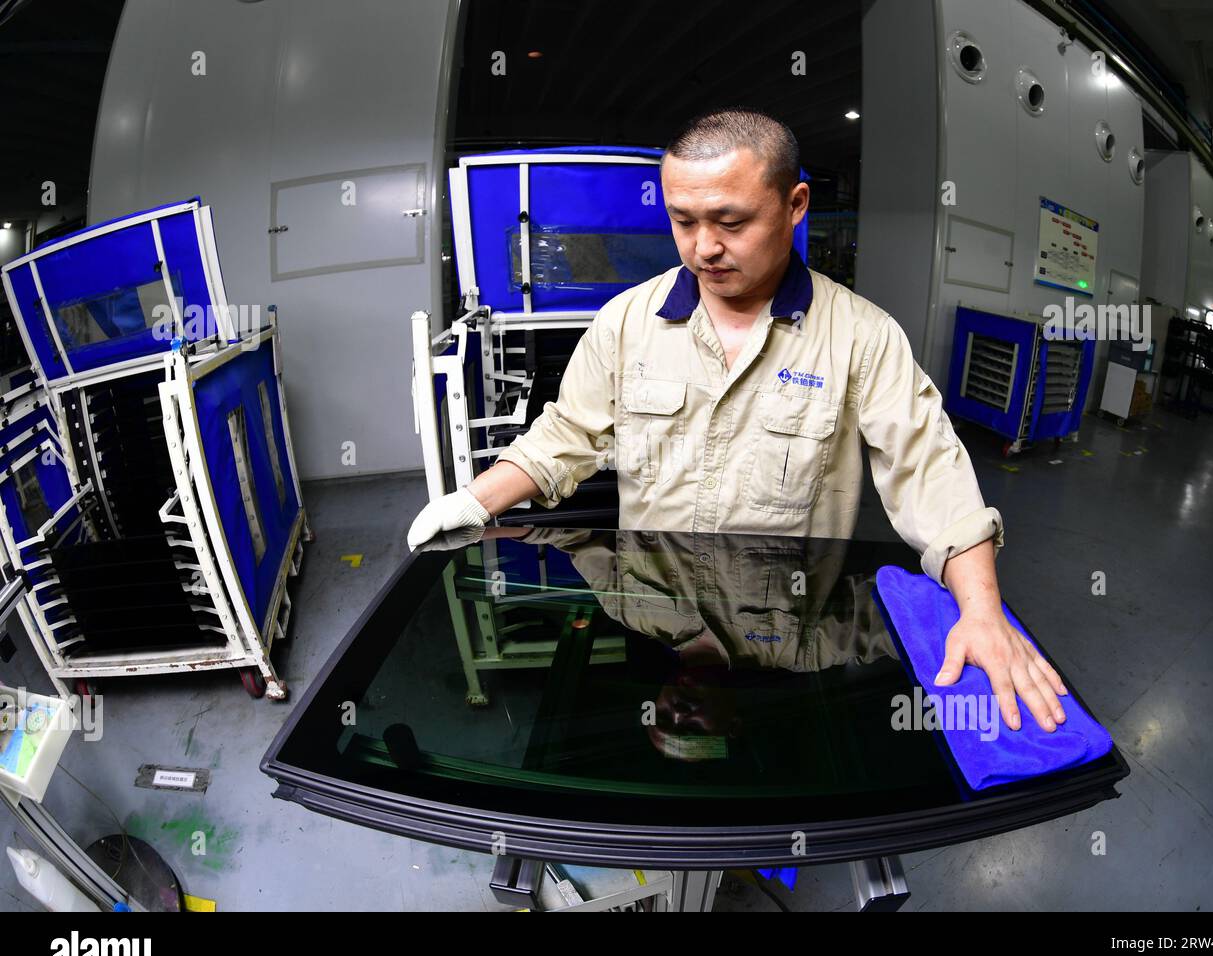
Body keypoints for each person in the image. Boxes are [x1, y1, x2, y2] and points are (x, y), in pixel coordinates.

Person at [407, 107, 1068, 734]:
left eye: (730, 221)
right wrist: (476, 497)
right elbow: (567, 434)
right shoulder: (627, 323)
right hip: (656, 593)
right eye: (683, 221)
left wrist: (980, 610)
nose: (703, 248)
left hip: (788, 627)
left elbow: (929, 470)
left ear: (795, 205)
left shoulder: (861, 337)